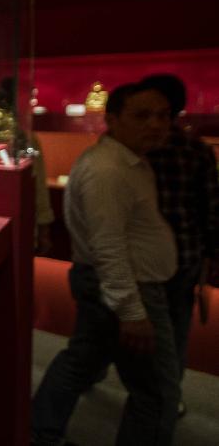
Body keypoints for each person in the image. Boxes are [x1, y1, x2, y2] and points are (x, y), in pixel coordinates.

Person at [31, 82, 179, 446]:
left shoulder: (125, 161)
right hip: (128, 286)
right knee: (157, 391)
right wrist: (131, 309)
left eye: (162, 115)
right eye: (142, 115)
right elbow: (109, 246)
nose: (155, 124)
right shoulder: (108, 170)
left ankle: (39, 431)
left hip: (120, 281)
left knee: (81, 361)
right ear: (113, 119)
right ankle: (39, 432)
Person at [140, 74, 219, 416]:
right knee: (174, 332)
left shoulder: (137, 146)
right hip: (184, 255)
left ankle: (156, 397)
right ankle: (168, 398)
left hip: (145, 258)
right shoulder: (198, 151)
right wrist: (209, 257)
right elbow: (211, 209)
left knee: (142, 329)